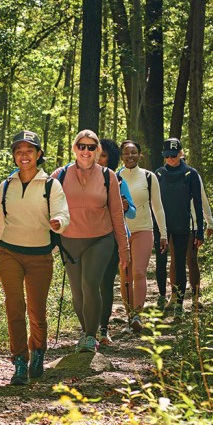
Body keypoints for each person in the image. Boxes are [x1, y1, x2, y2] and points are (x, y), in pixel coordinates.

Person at [0, 130, 70, 385]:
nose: (24, 155)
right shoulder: (6, 185)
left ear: (39, 154)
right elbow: (1, 220)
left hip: (40, 255)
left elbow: (63, 213)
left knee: (36, 310)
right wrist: (0, 245)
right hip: (9, 252)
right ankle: (19, 361)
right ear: (14, 156)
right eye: (19, 151)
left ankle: (38, 351)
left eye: (29, 151)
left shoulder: (51, 184)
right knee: (14, 305)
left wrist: (58, 222)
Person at [52, 130, 129, 353]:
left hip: (101, 239)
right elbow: (46, 204)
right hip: (70, 240)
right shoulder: (60, 175)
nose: (86, 151)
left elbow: (116, 214)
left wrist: (124, 249)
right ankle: (88, 331)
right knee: (77, 292)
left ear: (98, 151)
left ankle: (89, 336)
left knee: (90, 283)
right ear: (75, 149)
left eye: (91, 147)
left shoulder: (108, 176)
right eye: (82, 146)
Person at [117, 140, 167, 333]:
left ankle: (137, 315)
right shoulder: (114, 177)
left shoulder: (149, 177)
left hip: (144, 230)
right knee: (125, 274)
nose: (130, 156)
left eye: (134, 152)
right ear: (121, 156)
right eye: (127, 153)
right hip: (121, 232)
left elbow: (158, 206)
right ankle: (129, 314)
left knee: (138, 272)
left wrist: (163, 233)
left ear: (140, 155)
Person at [154, 138, 204, 319]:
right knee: (166, 262)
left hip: (183, 225)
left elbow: (198, 203)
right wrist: (156, 228)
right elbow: (154, 202)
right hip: (163, 226)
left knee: (181, 262)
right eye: (166, 155)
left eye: (173, 155)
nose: (170, 159)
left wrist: (200, 230)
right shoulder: (158, 174)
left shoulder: (190, 174)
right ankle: (166, 297)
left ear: (181, 153)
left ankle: (180, 304)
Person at [95, 138, 136, 346]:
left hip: (112, 237)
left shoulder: (119, 181)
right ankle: (88, 329)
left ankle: (102, 330)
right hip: (87, 238)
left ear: (110, 158)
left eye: (103, 155)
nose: (98, 158)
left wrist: (126, 206)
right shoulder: (81, 178)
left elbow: (133, 212)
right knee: (88, 285)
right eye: (96, 153)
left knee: (106, 284)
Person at [166, 172, 213, 311]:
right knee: (175, 260)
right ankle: (174, 296)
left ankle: (196, 297)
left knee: (192, 259)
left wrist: (209, 222)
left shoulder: (193, 175)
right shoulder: (166, 175)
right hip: (174, 225)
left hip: (192, 225)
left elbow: (202, 198)